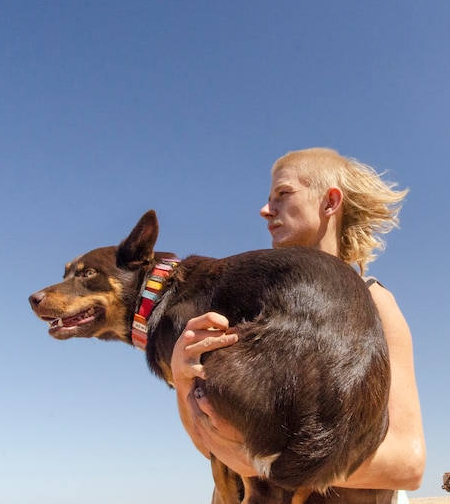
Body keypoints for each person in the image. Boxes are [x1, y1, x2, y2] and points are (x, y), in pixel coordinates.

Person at [170, 147, 426, 499]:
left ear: (330, 202)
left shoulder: (375, 303)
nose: (265, 210)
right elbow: (214, 447)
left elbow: (408, 465)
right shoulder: (255, 304)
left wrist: (263, 461)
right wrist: (183, 380)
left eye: (283, 194)